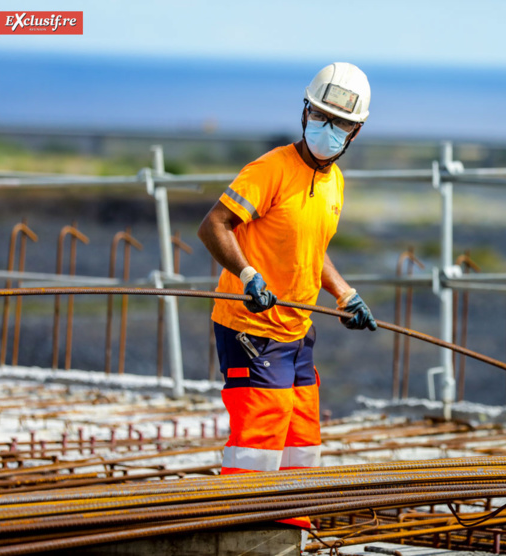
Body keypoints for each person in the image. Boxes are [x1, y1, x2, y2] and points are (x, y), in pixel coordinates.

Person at [197, 62, 377, 529]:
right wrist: (247, 273)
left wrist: (344, 293)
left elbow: (309, 251)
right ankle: (242, 525)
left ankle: (287, 520)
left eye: (338, 122)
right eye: (319, 115)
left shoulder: (334, 183)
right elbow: (213, 225)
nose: (326, 128)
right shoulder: (271, 168)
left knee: (301, 431)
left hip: (296, 329)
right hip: (251, 326)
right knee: (261, 429)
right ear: (304, 113)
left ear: (354, 132)